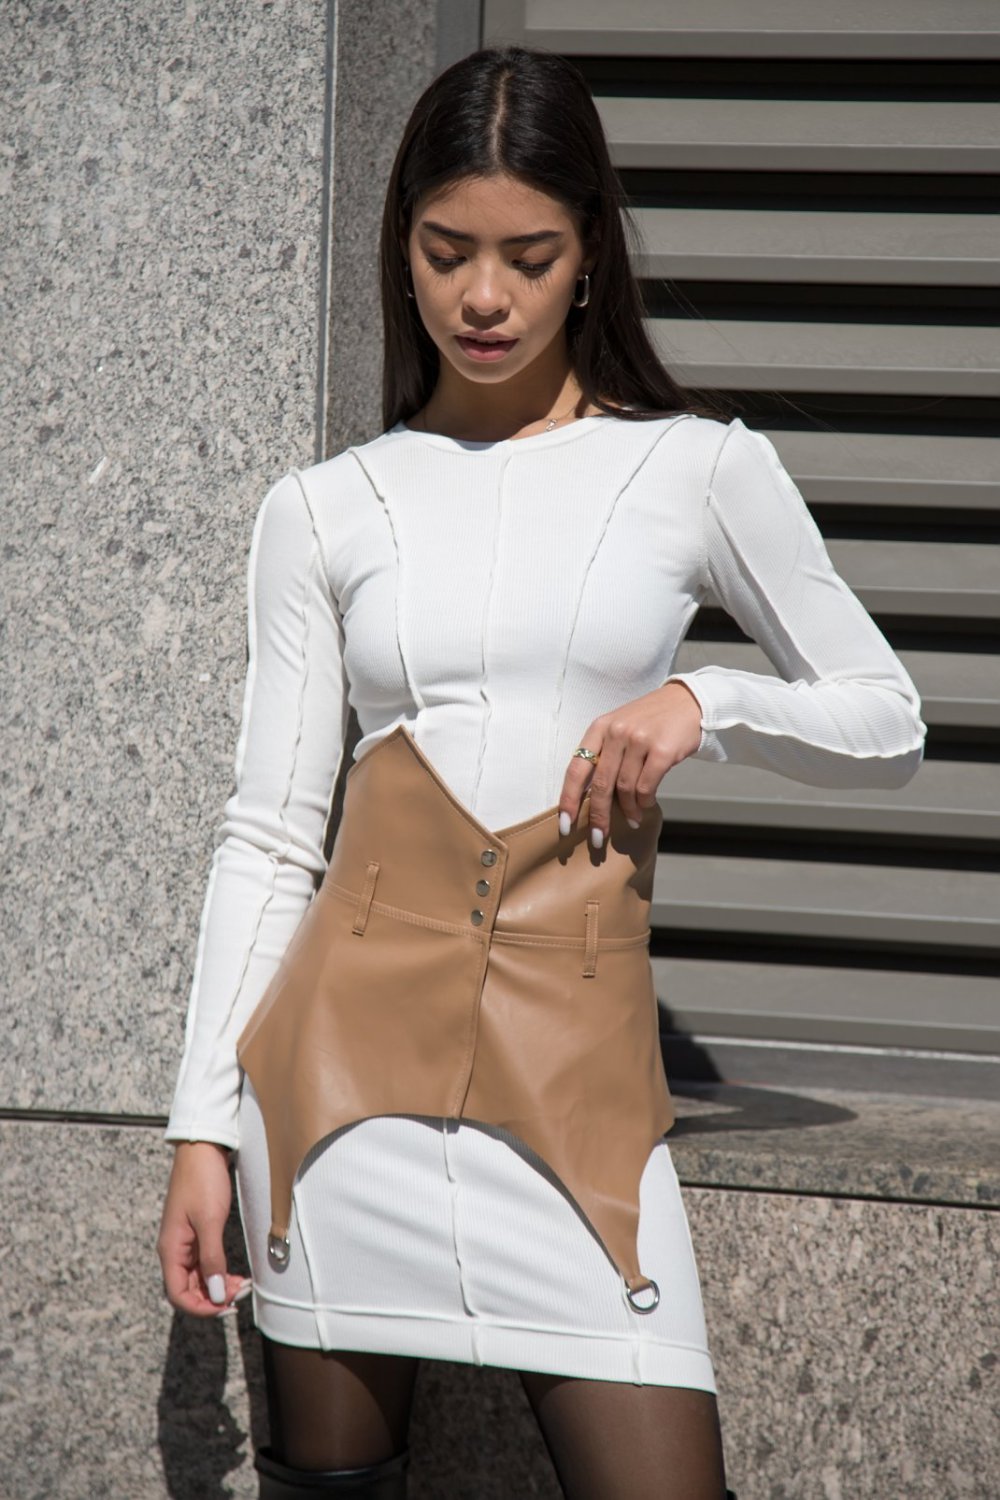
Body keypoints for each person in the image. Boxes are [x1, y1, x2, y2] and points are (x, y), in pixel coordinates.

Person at [157, 43, 926, 1500]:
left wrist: (707, 699)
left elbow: (889, 724)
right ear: (402, 250)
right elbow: (270, 837)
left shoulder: (697, 469)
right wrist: (202, 1126)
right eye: (447, 251)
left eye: (530, 256)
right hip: (334, 1100)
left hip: (578, 1089)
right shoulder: (328, 506)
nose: (485, 297)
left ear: (590, 258)